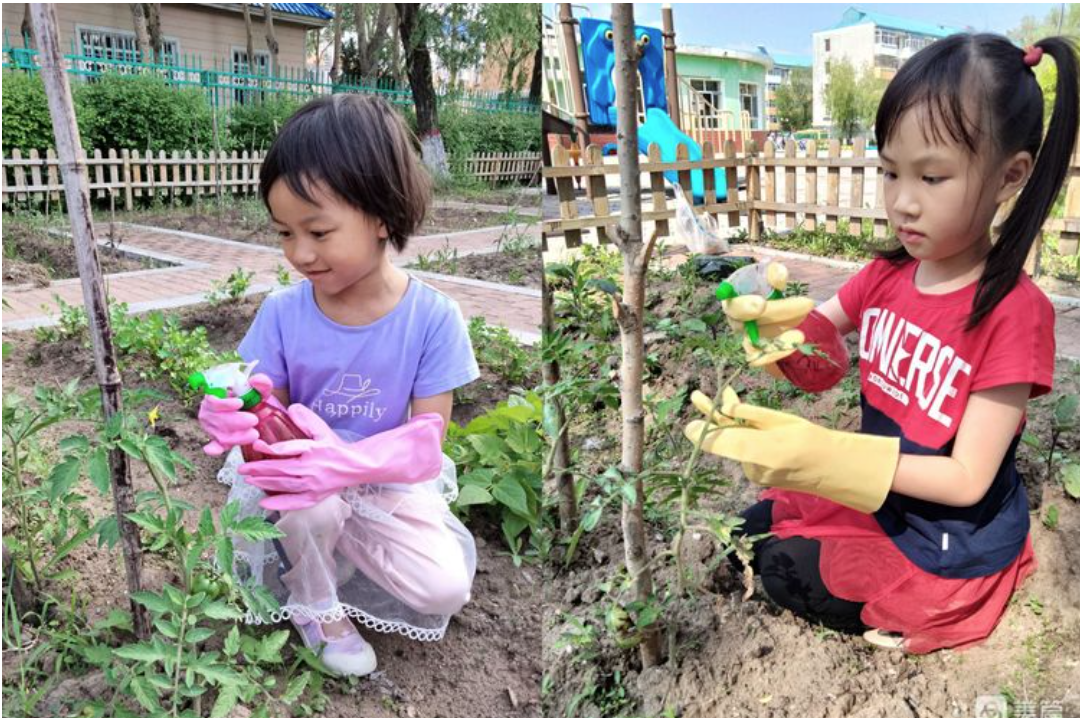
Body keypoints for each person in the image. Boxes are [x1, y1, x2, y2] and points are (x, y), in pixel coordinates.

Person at [685, 34, 1077, 653]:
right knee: (747, 529)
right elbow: (819, 358)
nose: (902, 202)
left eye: (932, 176)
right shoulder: (886, 276)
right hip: (880, 498)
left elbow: (968, 479)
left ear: (1011, 176)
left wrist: (834, 457)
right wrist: (771, 331)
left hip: (945, 540)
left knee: (780, 568)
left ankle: (940, 605)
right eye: (890, 171)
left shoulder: (1013, 314)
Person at [196, 94, 480, 676]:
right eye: (284, 233)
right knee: (312, 510)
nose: (299, 253)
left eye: (319, 231)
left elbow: (426, 442)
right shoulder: (283, 314)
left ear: (382, 216)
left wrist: (345, 464)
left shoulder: (432, 318)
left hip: (381, 478)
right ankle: (316, 604)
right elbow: (264, 407)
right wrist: (233, 413)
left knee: (444, 588)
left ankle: (335, 550)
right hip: (302, 486)